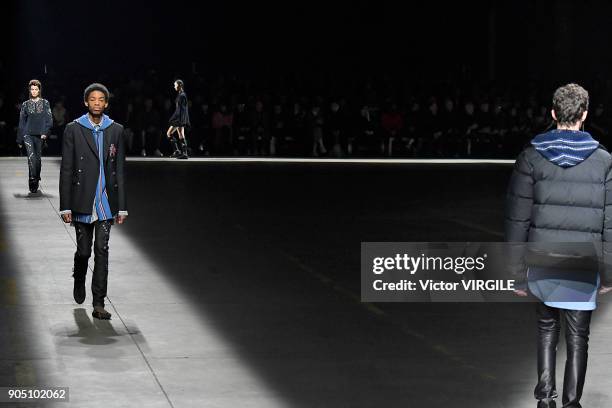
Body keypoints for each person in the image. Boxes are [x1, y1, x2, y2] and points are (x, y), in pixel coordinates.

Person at [505, 83, 612, 408]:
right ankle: (571, 402)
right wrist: (607, 275)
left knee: (546, 329)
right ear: (584, 115)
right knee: (578, 336)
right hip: (582, 261)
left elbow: (517, 219)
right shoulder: (604, 161)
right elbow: (610, 224)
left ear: (553, 114)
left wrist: (516, 272)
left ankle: (545, 398)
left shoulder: (531, 156)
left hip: (542, 258)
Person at [59, 83, 128, 320]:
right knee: (84, 251)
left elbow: (119, 169)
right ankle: (79, 275)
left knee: (102, 250)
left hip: (106, 201)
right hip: (82, 199)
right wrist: (65, 205)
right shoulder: (73, 129)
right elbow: (66, 169)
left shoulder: (116, 130)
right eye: (93, 99)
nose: (97, 103)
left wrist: (123, 206)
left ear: (106, 103)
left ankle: (99, 302)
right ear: (86, 102)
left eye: (101, 100)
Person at [17, 79, 53, 193]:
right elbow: (21, 122)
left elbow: (49, 120)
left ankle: (36, 178)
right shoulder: (25, 105)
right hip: (28, 134)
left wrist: (45, 133)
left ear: (39, 90)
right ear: (29, 90)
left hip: (40, 135)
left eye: (36, 89)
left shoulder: (45, 103)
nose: (33, 91)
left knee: (37, 159)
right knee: (31, 157)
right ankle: (32, 179)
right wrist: (19, 139)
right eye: (32, 89)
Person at [166, 79, 190, 159]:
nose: (174, 86)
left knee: (169, 133)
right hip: (180, 118)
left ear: (179, 85)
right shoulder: (181, 95)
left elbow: (182, 109)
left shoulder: (182, 95)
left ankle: (180, 152)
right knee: (180, 135)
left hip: (179, 119)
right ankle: (180, 152)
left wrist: (180, 120)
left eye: (175, 85)